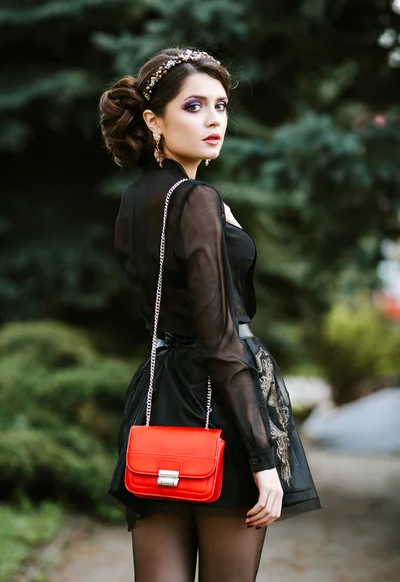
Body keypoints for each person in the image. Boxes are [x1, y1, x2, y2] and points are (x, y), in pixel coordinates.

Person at [99, 47, 321, 582]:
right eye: (194, 106)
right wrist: (263, 460)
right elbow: (221, 336)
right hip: (220, 404)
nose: (214, 120)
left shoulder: (134, 199)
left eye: (220, 106)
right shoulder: (196, 198)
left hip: (156, 397)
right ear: (154, 120)